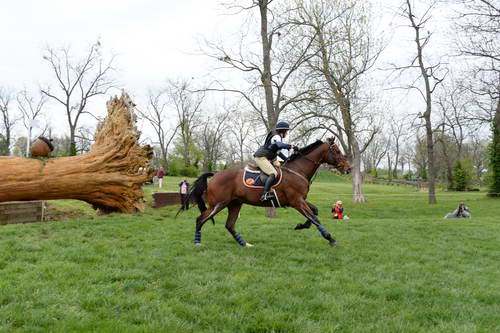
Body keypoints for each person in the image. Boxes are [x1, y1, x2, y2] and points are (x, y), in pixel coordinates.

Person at [253, 121, 298, 201]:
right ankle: (265, 194)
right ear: (283, 131)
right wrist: (291, 146)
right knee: (273, 173)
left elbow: (278, 152)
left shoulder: (277, 137)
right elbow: (279, 145)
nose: (287, 133)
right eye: (286, 131)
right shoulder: (276, 136)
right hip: (261, 157)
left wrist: (287, 159)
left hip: (265, 158)